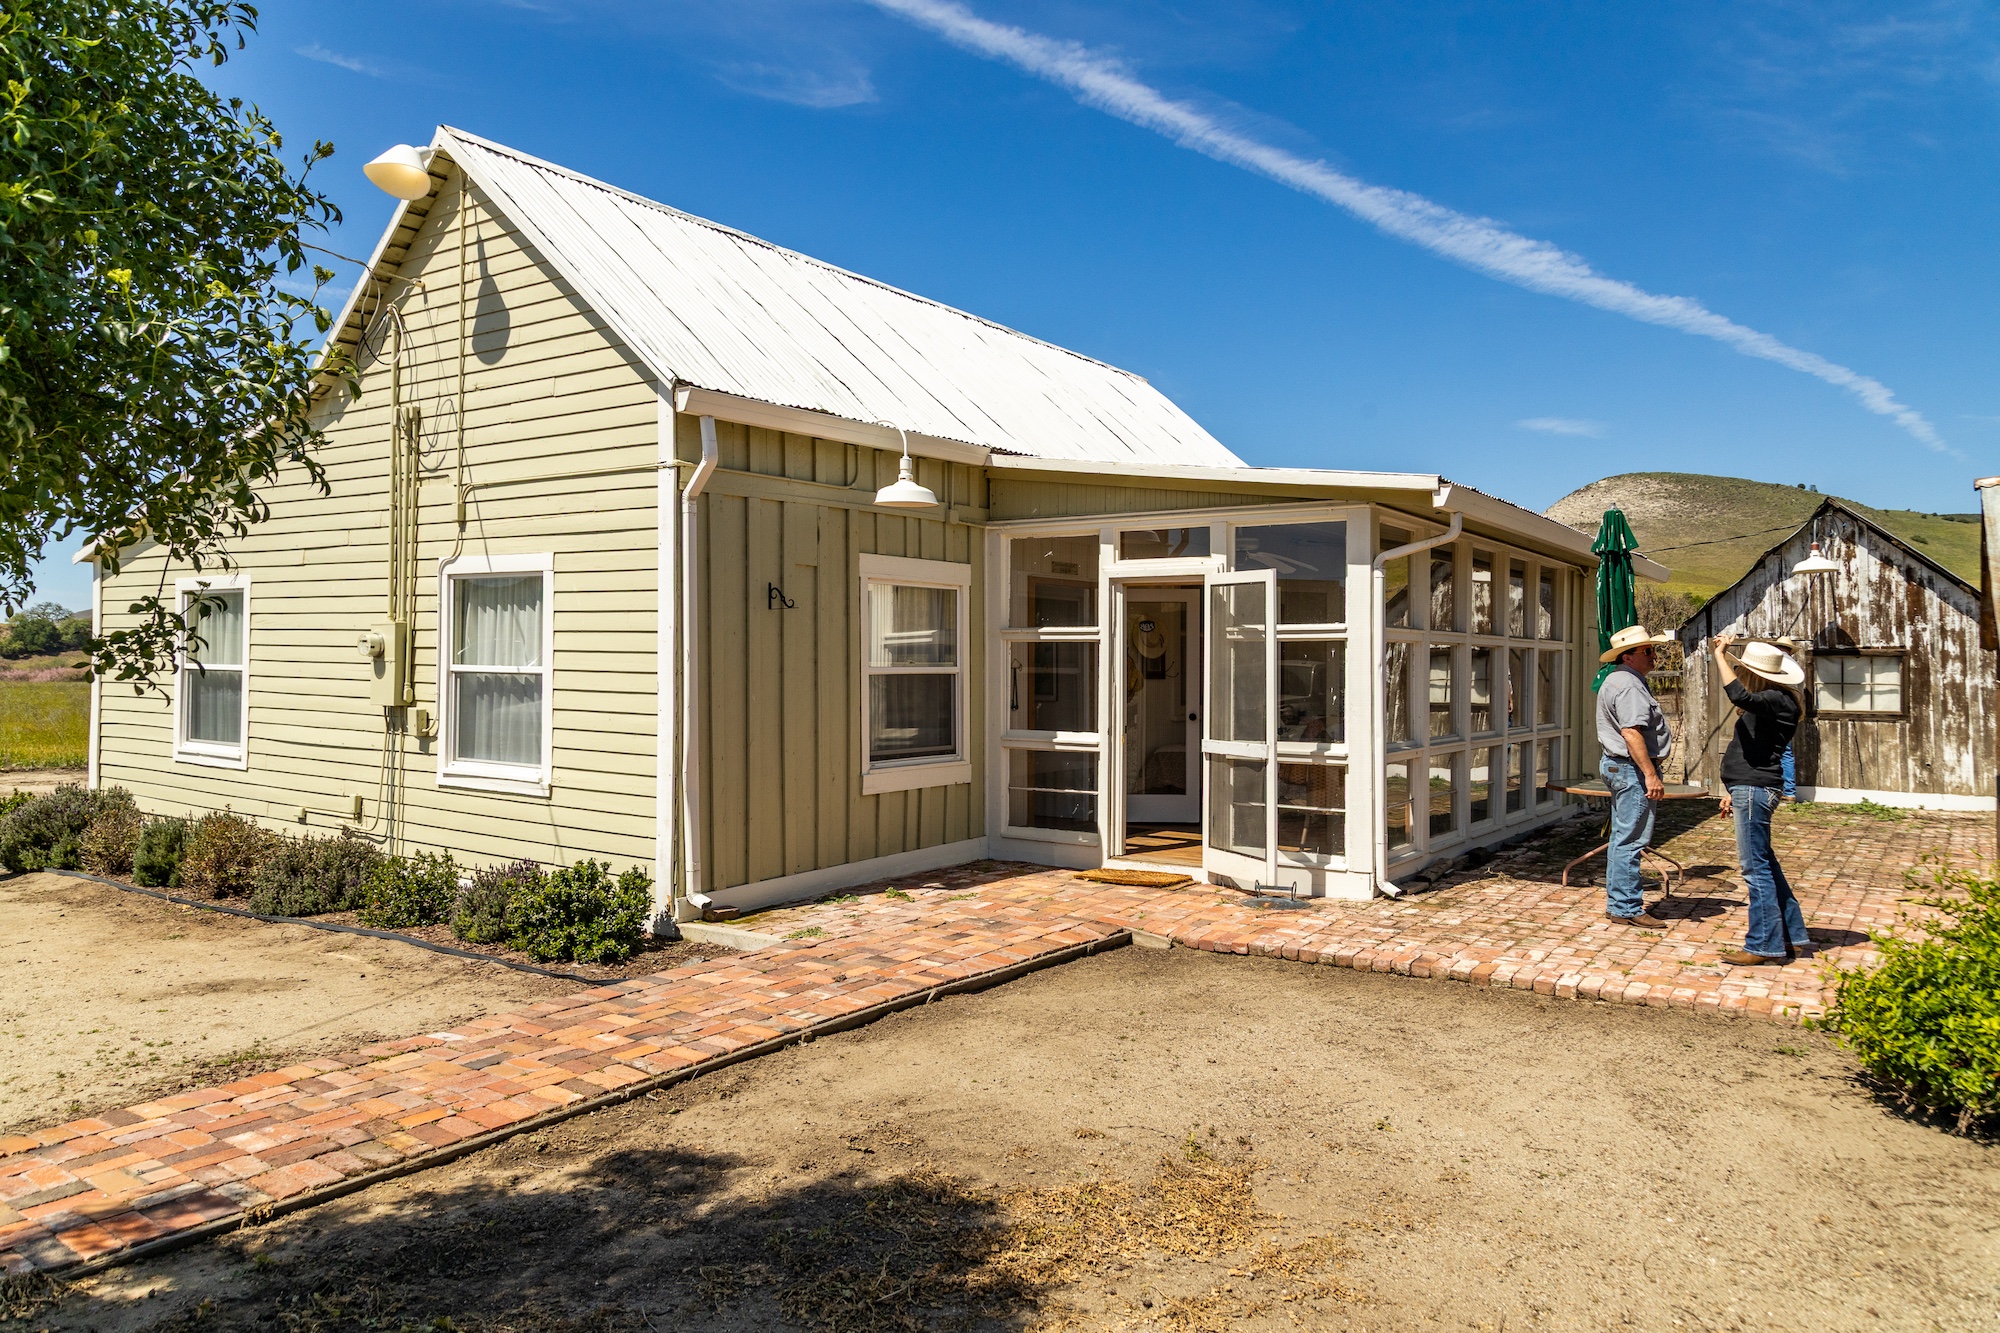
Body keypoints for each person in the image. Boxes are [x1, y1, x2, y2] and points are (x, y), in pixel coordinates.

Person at [1710, 633, 1809, 966]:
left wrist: (1720, 656)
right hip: (1749, 789)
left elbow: (1737, 694)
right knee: (1766, 864)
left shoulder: (1775, 699)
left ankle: (1764, 944)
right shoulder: (1775, 700)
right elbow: (1753, 749)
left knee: (1756, 869)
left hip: (1754, 790)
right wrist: (1732, 789)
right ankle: (1791, 934)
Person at [1595, 624, 1675, 929]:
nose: (1654, 656)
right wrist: (1650, 774)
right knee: (1631, 840)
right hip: (1630, 768)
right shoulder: (1628, 685)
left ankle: (1619, 904)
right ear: (1627, 657)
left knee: (1622, 838)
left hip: (1620, 766)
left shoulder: (1620, 680)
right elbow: (1631, 732)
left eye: (1653, 650)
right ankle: (1626, 907)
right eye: (1647, 651)